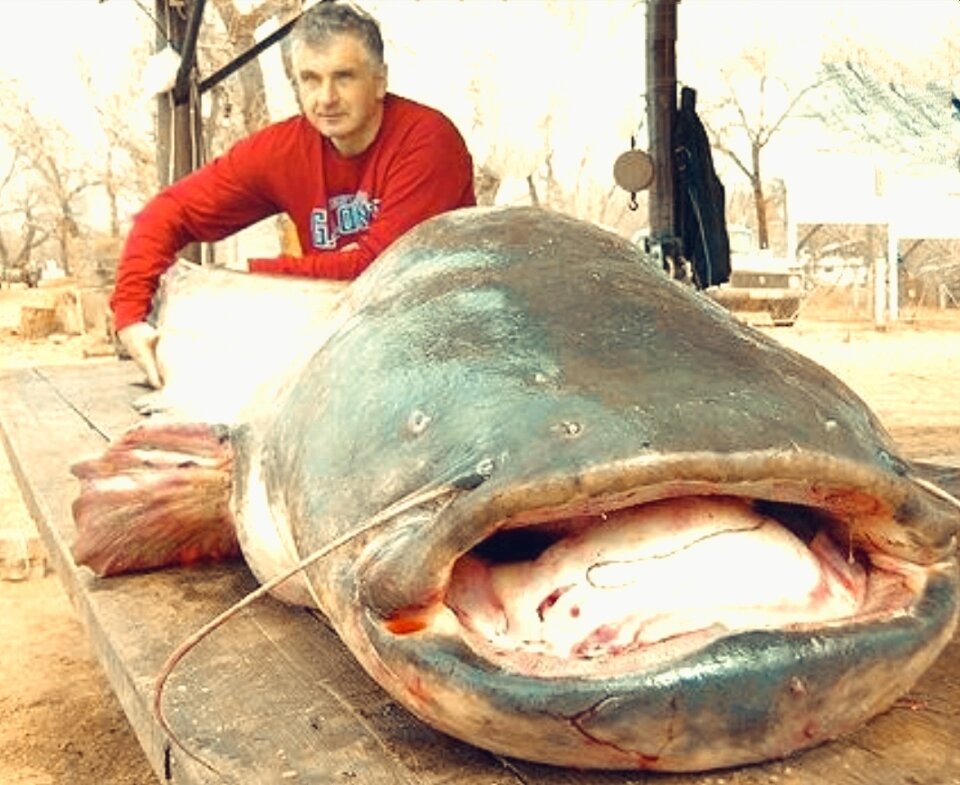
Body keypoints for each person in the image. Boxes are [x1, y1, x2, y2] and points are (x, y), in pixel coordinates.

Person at [112, 0, 475, 388]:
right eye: (310, 79)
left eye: (344, 76)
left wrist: (242, 280)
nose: (326, 98)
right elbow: (169, 212)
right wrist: (131, 317)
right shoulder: (286, 149)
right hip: (342, 346)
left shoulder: (428, 141)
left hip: (443, 349)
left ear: (380, 80)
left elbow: (382, 270)